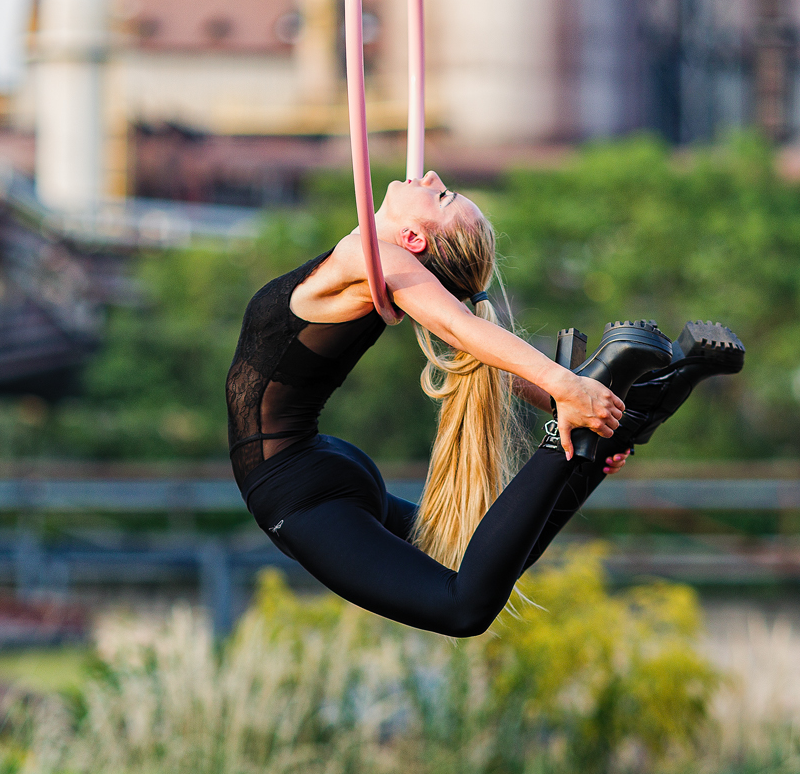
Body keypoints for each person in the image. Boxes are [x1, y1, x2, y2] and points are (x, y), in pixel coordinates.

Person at [225, 172, 742, 637]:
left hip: (298, 487)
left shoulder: (366, 256)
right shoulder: (377, 269)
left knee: (463, 608)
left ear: (412, 239)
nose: (429, 175)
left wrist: (567, 390)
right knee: (493, 556)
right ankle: (626, 417)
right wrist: (580, 399)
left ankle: (580, 434)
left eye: (442, 195)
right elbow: (472, 343)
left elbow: (461, 328)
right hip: (316, 470)